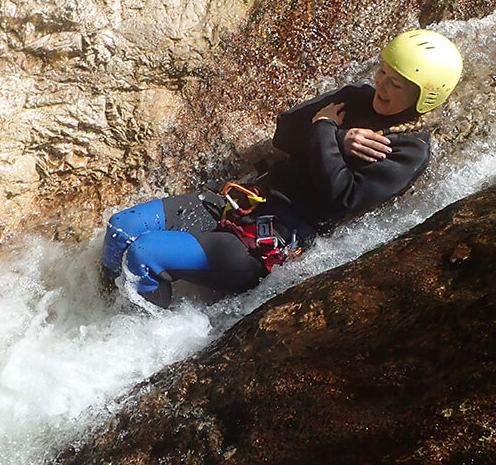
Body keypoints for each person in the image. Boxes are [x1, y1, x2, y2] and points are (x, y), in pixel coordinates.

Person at [101, 29, 463, 307]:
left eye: (394, 84)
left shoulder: (407, 150)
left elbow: (342, 196)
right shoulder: (355, 97)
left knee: (145, 254)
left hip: (273, 243)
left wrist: (325, 131)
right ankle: (104, 315)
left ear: (424, 95)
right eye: (383, 72)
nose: (380, 85)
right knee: (122, 229)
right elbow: (285, 132)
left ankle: (132, 340)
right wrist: (338, 136)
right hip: (247, 202)